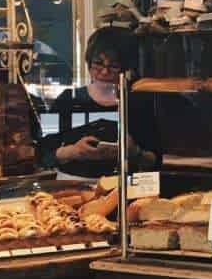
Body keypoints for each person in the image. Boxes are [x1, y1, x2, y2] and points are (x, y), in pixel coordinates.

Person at [38, 27, 157, 177]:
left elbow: (155, 160)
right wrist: (73, 151)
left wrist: (135, 152)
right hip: (72, 186)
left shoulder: (139, 103)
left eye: (113, 66)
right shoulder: (67, 100)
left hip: (124, 188)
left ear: (127, 69)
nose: (104, 72)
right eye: (98, 63)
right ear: (88, 62)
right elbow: (41, 151)